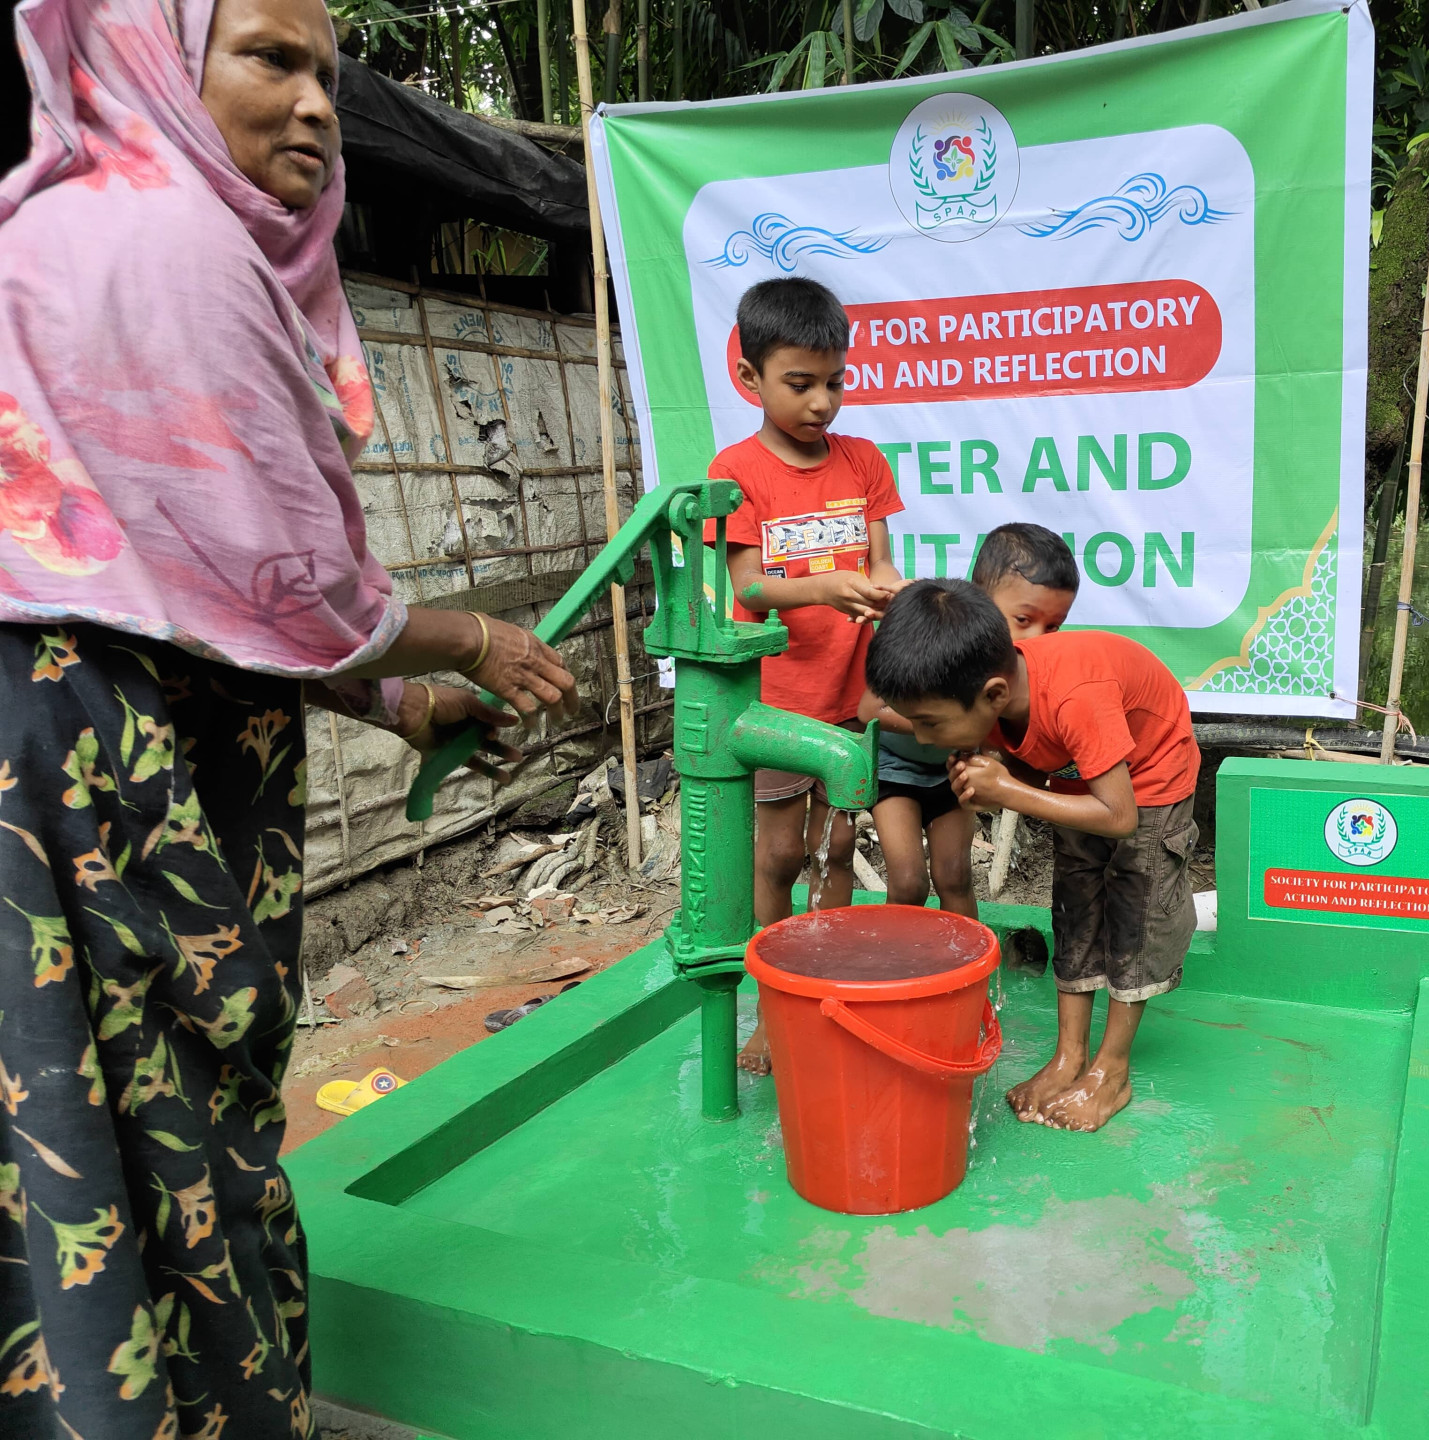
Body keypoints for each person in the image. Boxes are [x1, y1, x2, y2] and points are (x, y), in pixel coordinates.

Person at [0, 1, 578, 1434]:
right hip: (76, 762)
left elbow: (182, 585)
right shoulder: (159, 239)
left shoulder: (99, 232)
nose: (316, 105)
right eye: (269, 58)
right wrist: (474, 641)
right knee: (116, 1127)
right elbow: (289, 579)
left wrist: (397, 702)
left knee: (158, 1117)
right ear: (154, 61)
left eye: (328, 71)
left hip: (129, 728)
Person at [865, 580, 1199, 1133]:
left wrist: (1011, 792)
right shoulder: (988, 690)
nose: (922, 738)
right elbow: (1025, 757)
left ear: (994, 695)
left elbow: (1120, 817)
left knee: (1137, 917)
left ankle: (1110, 1070)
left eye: (930, 723)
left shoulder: (1075, 696)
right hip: (1077, 779)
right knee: (1076, 907)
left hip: (1146, 784)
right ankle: (1070, 1057)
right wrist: (1000, 772)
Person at [711, 278, 905, 1073]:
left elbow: (882, 562)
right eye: (801, 383)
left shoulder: (863, 461)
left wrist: (890, 594)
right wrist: (828, 586)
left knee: (838, 846)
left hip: (850, 700)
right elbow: (750, 587)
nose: (822, 401)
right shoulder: (737, 470)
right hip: (777, 704)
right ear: (752, 379)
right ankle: (775, 1006)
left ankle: (833, 988)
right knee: (779, 857)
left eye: (835, 381)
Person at [856, 524, 1080, 916]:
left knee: (955, 875)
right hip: (895, 771)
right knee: (908, 881)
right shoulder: (931, 630)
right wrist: (942, 727)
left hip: (954, 775)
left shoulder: (1016, 673)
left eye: (1054, 627)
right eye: (1023, 619)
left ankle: (967, 974)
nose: (1038, 639)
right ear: (981, 603)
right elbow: (869, 711)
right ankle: (893, 968)